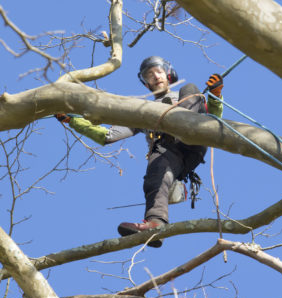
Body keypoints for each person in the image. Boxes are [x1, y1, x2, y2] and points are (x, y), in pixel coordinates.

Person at [55, 56, 223, 247]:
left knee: (191, 88)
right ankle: (155, 224)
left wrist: (215, 96)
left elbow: (213, 121)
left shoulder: (187, 95)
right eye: (149, 75)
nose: (156, 77)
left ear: (169, 73)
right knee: (155, 171)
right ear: (146, 83)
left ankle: (186, 124)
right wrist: (73, 120)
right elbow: (109, 135)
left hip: (195, 137)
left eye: (159, 72)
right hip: (169, 152)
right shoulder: (144, 112)